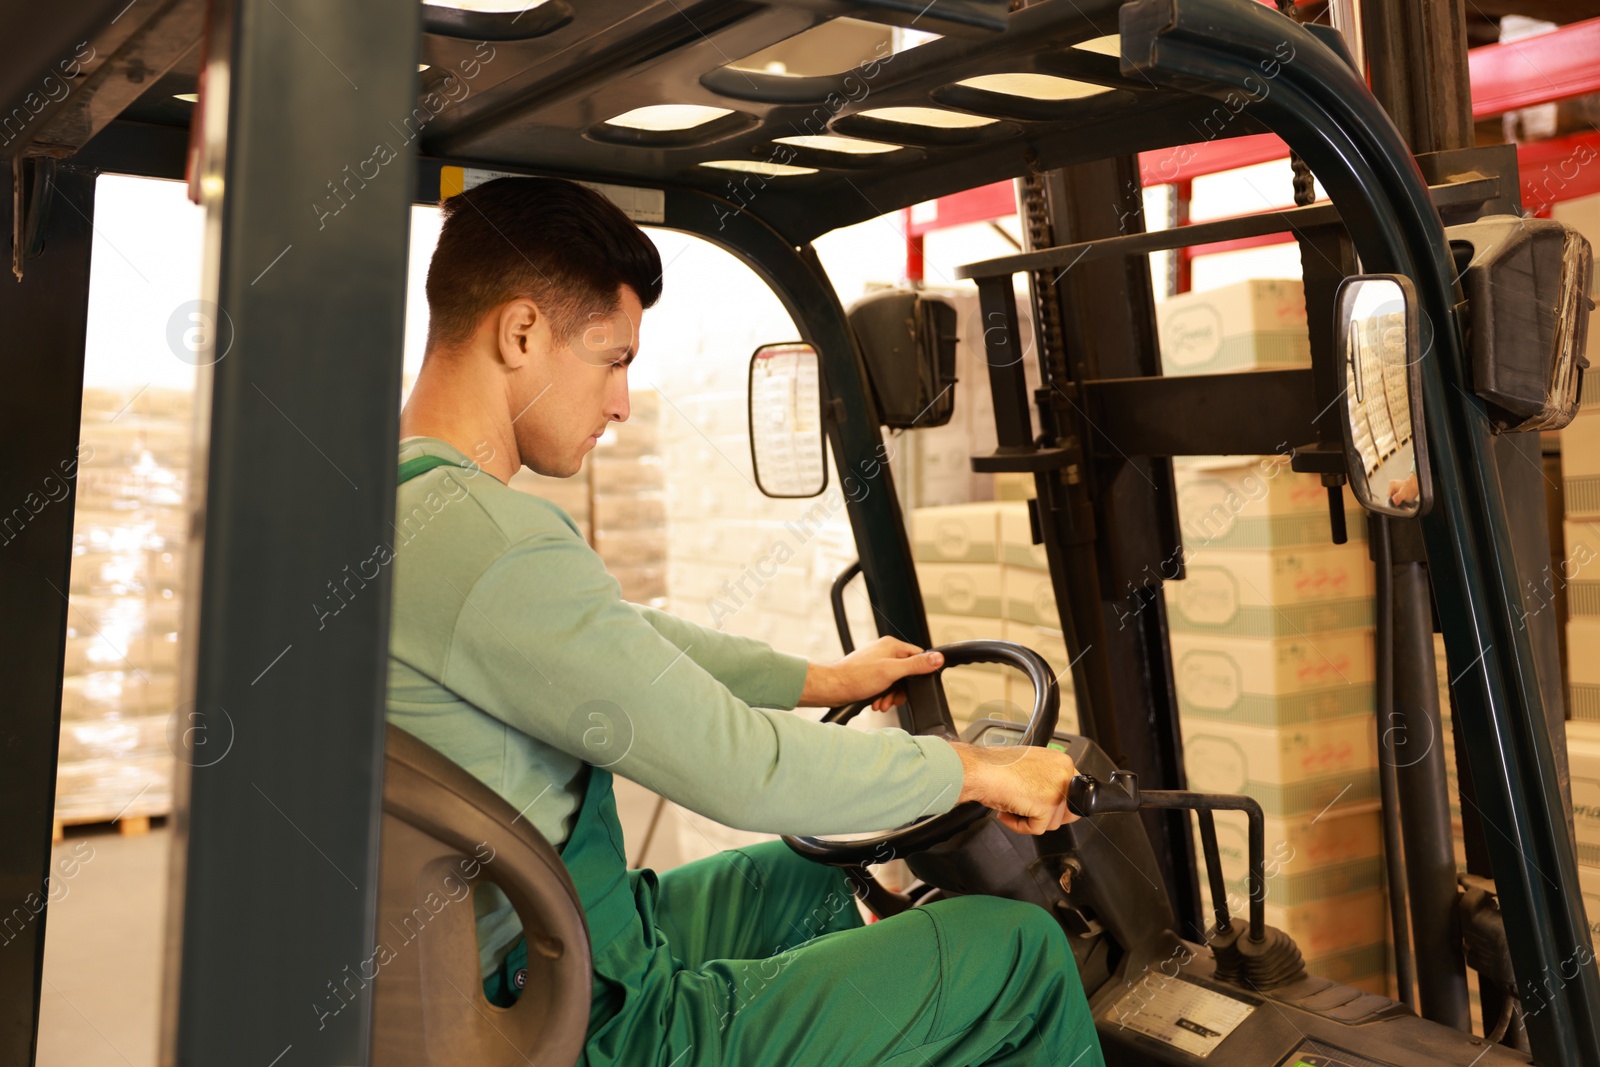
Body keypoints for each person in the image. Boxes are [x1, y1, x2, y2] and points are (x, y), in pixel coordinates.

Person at [388, 176, 1104, 1066]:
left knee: (810, 878)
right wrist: (975, 769)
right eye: (613, 360)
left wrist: (823, 679)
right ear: (522, 331)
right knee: (1023, 957)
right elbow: (744, 767)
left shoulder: (405, 514)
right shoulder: (489, 543)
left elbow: (623, 641)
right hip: (580, 1018)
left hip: (525, 955)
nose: (619, 402)